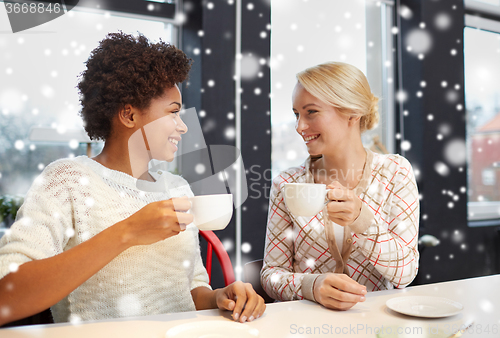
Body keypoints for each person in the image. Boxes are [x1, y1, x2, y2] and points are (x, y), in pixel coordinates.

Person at [0, 32, 265, 326]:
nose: (183, 127)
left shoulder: (176, 188)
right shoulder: (68, 180)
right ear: (128, 115)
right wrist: (127, 232)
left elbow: (190, 289)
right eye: (173, 113)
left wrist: (217, 298)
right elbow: (6, 299)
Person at [261, 62, 419, 311]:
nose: (299, 127)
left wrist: (363, 221)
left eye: (311, 112)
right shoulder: (287, 184)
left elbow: (406, 273)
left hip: (378, 325)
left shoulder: (395, 172)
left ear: (352, 113)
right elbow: (271, 274)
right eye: (296, 114)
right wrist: (310, 286)